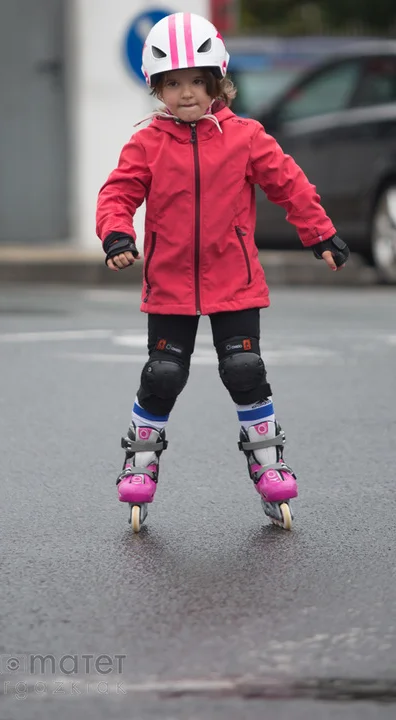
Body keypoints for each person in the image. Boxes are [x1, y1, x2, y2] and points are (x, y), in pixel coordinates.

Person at [96, 12, 349, 532]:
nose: (186, 93)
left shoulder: (246, 137)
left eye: (197, 81)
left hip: (235, 281)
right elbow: (117, 193)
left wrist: (320, 233)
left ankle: (268, 463)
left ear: (217, 82)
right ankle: (140, 462)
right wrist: (117, 234)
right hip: (169, 284)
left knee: (244, 371)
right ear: (157, 88)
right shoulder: (146, 143)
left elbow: (290, 185)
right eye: (173, 83)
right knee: (163, 375)